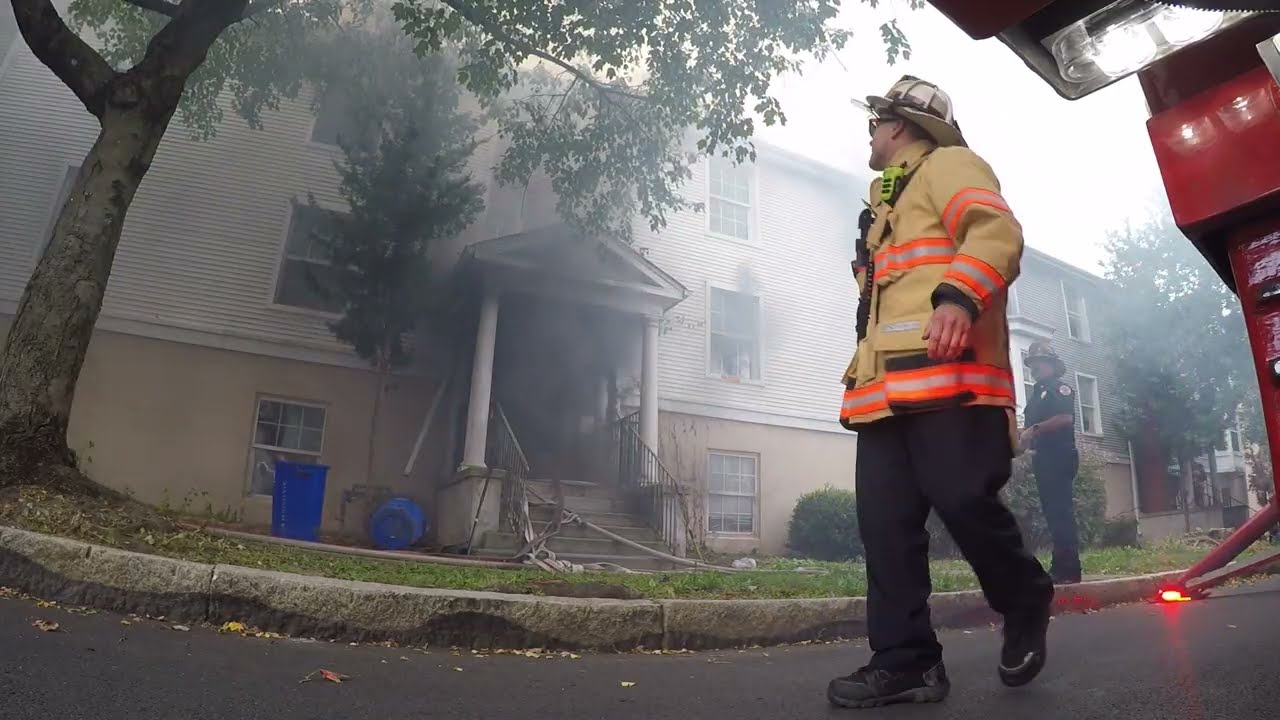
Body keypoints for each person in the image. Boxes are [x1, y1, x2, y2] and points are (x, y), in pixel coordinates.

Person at [829, 75, 1055, 709]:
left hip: (952, 381)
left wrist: (957, 297)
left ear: (898, 125)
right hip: (883, 394)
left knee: (961, 499)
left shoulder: (949, 164)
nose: (869, 134)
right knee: (885, 529)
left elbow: (994, 232)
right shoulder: (882, 206)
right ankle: (906, 663)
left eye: (874, 122)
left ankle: (1025, 596)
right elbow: (883, 300)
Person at [1021, 341, 1082, 585]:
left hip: (1059, 456)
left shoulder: (1060, 388)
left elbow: (1065, 418)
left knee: (1060, 512)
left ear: (1052, 365)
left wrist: (1034, 429)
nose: (1034, 367)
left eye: (1039, 362)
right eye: (1031, 363)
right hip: (1043, 458)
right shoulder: (1038, 393)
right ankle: (1060, 566)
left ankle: (1069, 568)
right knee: (1052, 513)